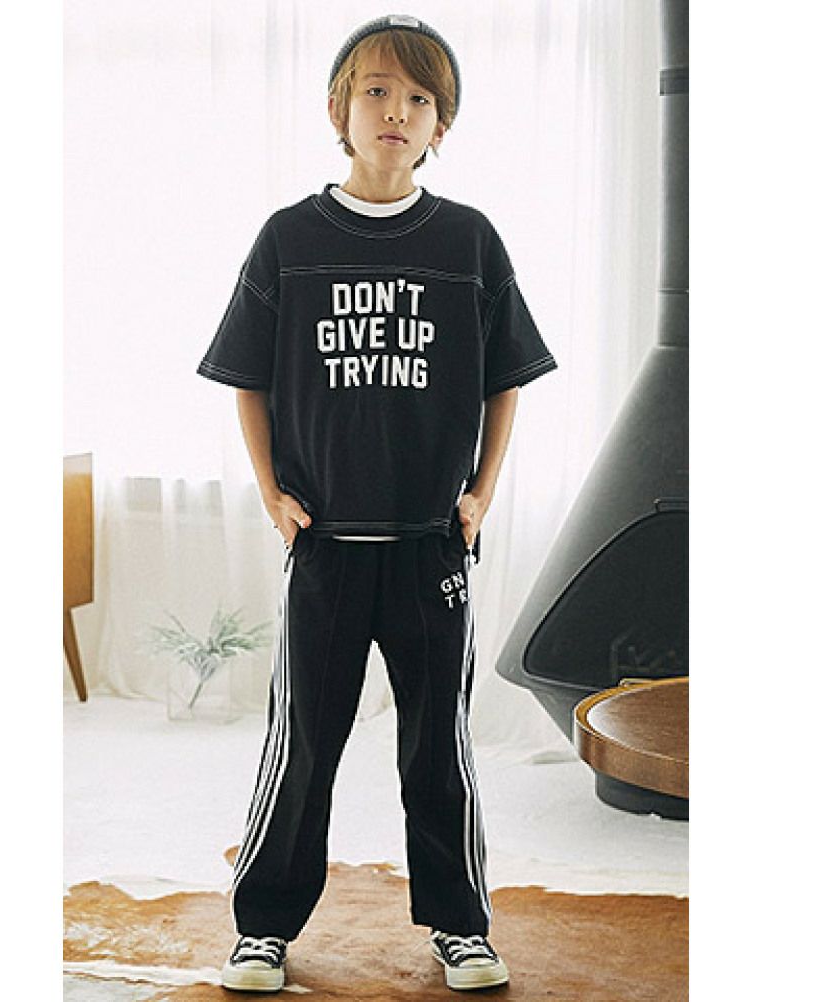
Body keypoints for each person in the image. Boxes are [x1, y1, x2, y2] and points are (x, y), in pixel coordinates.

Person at [196, 14, 557, 993]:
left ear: (442, 124)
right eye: (376, 91)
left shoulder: (468, 240)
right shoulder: (290, 239)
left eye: (419, 98)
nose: (396, 111)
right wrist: (271, 492)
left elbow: (507, 378)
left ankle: (461, 927)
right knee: (303, 743)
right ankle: (262, 931)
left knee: (438, 746)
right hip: (326, 545)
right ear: (338, 110)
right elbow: (247, 377)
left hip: (431, 546)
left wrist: (482, 491)